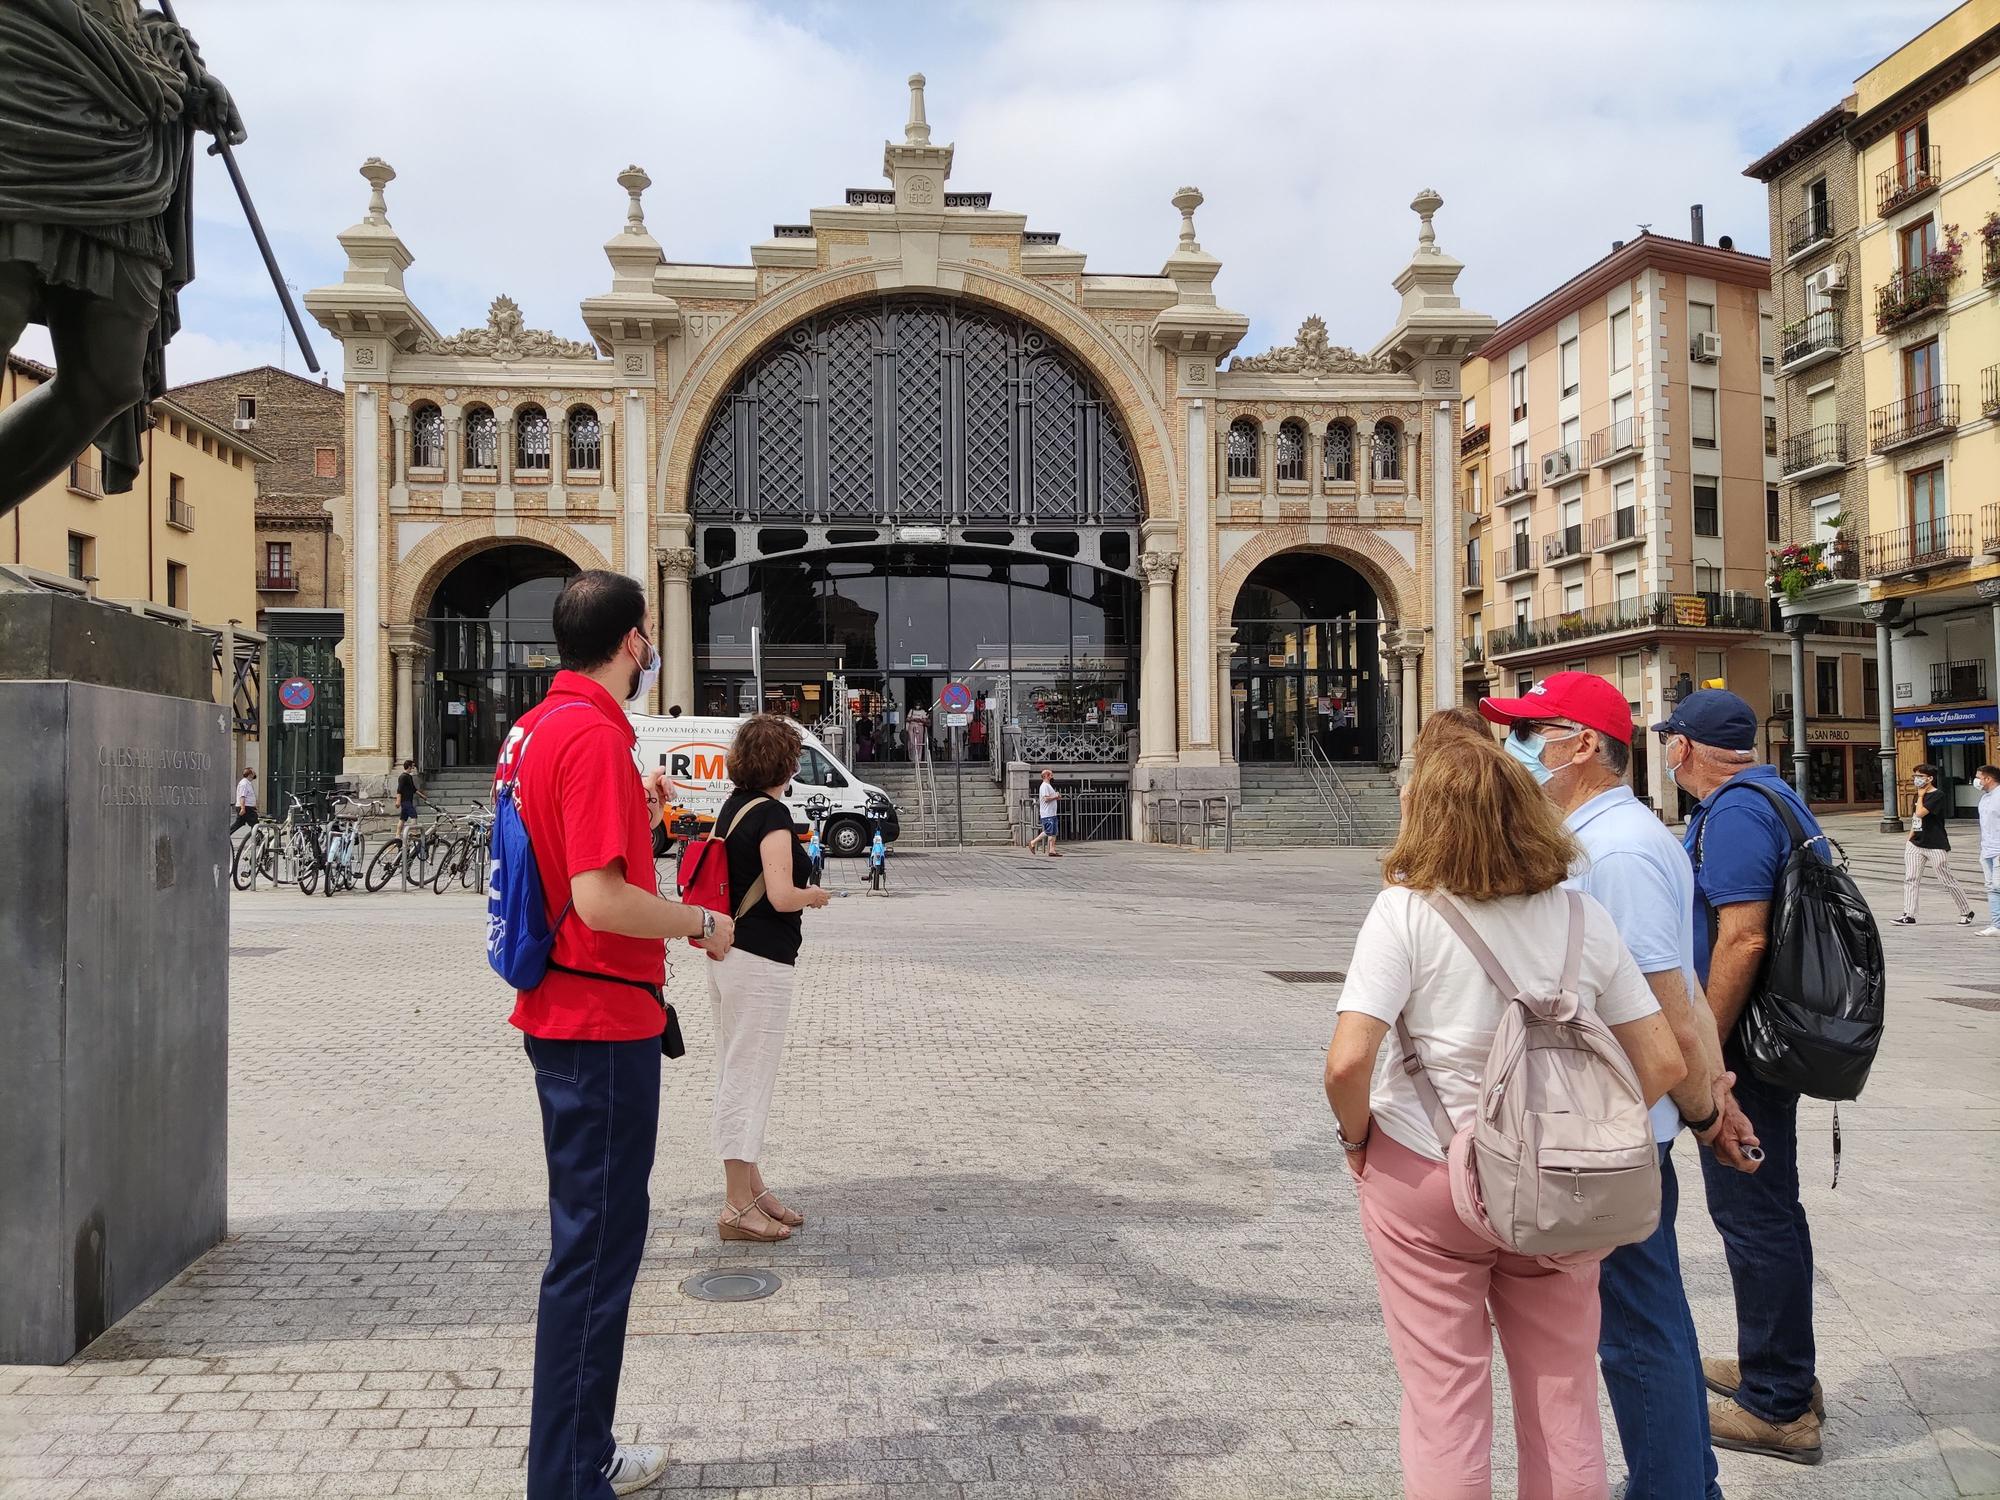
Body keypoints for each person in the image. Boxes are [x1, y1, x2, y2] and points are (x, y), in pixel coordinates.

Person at [1324, 708, 1687, 1500]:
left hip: (1428, 1175)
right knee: (1563, 1398)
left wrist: (1357, 1143)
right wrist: (1594, 1128)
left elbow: (1348, 1061)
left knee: (1444, 1401)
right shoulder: (1583, 918)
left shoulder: (1406, 910)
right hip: (1558, 1181)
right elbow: (1662, 1059)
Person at [1481, 673, 1760, 1500]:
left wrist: (1706, 1112)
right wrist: (1714, 1099)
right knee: (1646, 1321)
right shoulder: (1608, 837)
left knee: (1636, 1334)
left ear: (1585, 746)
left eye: (1535, 734)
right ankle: (1684, 1480)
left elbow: (1665, 1010)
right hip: (1628, 1125)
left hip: (1617, 1136)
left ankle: (1676, 1488)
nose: (1518, 750)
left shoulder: (1621, 851)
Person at [505, 570, 733, 1500]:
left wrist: (629, 816)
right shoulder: (594, 735)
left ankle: (575, 1454)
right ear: (636, 640)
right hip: (599, 1021)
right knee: (595, 1259)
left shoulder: (533, 728)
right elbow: (599, 900)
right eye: (649, 638)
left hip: (564, 1012)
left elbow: (558, 866)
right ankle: (567, 1478)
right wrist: (698, 922)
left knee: (587, 1251)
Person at [1657, 688, 1828, 1465]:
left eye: (1669, 742)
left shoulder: (1732, 813)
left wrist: (1709, 1058)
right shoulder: (1780, 796)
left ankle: (1779, 1406)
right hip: (1776, 1040)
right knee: (1774, 1212)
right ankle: (1782, 1368)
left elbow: (1743, 941)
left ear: (1686, 750)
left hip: (1746, 1054)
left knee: (1754, 1216)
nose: (1665, 753)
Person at [708, 714, 831, 1243]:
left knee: (739, 1068)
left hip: (728, 955)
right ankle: (737, 1206)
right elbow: (782, 896)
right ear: (783, 763)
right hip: (760, 961)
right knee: (747, 1076)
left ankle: (754, 1190)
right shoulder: (774, 815)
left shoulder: (732, 807)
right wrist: (816, 895)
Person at [1896, 762, 1975, 926]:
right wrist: (1910, 838)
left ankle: (1966, 911)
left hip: (1936, 844)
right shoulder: (1917, 795)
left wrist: (1921, 795)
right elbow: (1915, 819)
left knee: (1946, 879)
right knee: (1911, 878)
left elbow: (1920, 813)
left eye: (1920, 776)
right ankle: (1909, 914)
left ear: (1930, 778)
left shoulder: (1937, 795)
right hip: (1916, 843)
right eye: (1915, 776)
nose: (1916, 779)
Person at [1977, 765, 2000, 937]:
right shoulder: (1984, 798)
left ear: (1988, 778)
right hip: (1987, 849)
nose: (1976, 781)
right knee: (1991, 887)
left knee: (1998, 885)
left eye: (1978, 777)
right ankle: (1996, 924)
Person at [1025, 769, 1061, 857]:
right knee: (1049, 831)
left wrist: (1056, 796)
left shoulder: (1048, 786)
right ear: (1046, 776)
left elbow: (1050, 797)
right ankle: (1033, 842)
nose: (1052, 777)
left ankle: (1052, 850)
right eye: (1051, 775)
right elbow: (1046, 798)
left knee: (1053, 832)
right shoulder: (1044, 786)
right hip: (1047, 813)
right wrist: (1055, 796)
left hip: (1052, 812)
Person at [395, 759, 427, 835]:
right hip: (405, 801)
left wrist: (422, 796)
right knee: (414, 815)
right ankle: (414, 832)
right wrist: (398, 801)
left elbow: (413, 789)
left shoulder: (409, 776)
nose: (413, 767)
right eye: (412, 766)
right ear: (409, 766)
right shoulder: (403, 777)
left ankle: (397, 835)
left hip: (408, 800)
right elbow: (399, 790)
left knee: (402, 818)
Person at [230, 766, 258, 835]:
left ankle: (226, 834)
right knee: (255, 824)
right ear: (250, 774)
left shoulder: (247, 783)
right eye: (253, 772)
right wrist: (243, 808)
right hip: (246, 807)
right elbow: (242, 796)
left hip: (247, 807)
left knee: (239, 823)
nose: (255, 774)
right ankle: (258, 840)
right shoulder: (244, 784)